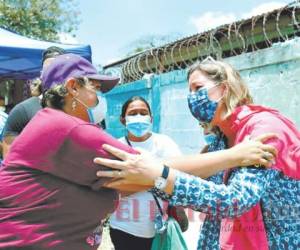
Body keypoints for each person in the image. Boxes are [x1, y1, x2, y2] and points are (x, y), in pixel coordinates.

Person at [94, 59, 300, 250]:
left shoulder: (264, 128)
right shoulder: (223, 139)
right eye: (190, 91)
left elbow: (235, 200)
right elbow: (196, 189)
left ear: (224, 88)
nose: (192, 97)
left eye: (198, 88)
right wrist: (153, 179)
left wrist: (158, 175)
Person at [0, 53, 128, 249]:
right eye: (95, 88)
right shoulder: (67, 126)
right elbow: (139, 165)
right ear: (73, 87)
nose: (100, 98)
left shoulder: (53, 123)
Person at [109, 96, 182, 250]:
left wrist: (138, 180)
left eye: (143, 113)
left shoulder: (165, 144)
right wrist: (157, 177)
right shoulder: (116, 148)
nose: (139, 117)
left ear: (151, 118)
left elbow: (178, 179)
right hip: (124, 228)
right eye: (133, 113)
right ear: (123, 120)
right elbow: (114, 189)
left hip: (159, 228)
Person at [2, 46, 66, 158]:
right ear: (41, 74)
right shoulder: (23, 110)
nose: (53, 74)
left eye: (58, 69)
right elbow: (10, 161)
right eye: (48, 69)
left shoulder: (80, 108)